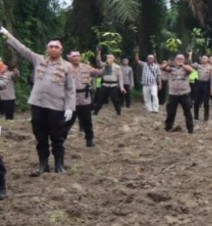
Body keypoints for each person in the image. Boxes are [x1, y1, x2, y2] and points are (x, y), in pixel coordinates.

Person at [1, 26, 76, 175]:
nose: (53, 49)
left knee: (57, 137)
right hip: (38, 105)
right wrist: (6, 34)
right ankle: (43, 165)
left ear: (61, 50)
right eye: (51, 46)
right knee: (40, 137)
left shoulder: (67, 66)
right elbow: (22, 49)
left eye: (56, 47)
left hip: (56, 107)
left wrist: (69, 108)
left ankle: (59, 164)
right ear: (47, 49)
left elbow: (70, 89)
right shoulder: (38, 59)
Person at [65, 51, 102, 147]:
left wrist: (109, 65)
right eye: (74, 56)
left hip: (84, 99)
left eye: (78, 56)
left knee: (87, 121)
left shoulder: (86, 67)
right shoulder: (65, 67)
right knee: (67, 121)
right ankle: (61, 140)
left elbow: (100, 73)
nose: (76, 57)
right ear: (69, 58)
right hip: (70, 99)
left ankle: (89, 140)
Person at [161, 54, 194, 134]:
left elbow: (191, 70)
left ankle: (190, 129)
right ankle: (168, 128)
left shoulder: (186, 68)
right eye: (178, 59)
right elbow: (162, 68)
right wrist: (168, 63)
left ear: (184, 60)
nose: (179, 60)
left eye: (181, 59)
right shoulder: (171, 68)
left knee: (187, 111)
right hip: (173, 94)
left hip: (184, 93)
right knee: (171, 112)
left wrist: (182, 65)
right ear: (175, 60)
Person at [94, 51, 125, 116]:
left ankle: (118, 111)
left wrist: (122, 87)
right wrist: (99, 53)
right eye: (108, 57)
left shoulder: (117, 67)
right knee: (100, 98)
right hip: (105, 84)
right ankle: (95, 112)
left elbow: (120, 78)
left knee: (115, 99)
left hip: (113, 85)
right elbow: (98, 62)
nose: (109, 58)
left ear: (113, 59)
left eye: (110, 57)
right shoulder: (105, 65)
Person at [190, 54, 212, 122]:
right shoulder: (198, 66)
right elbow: (191, 64)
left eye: (205, 58)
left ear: (208, 60)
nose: (203, 59)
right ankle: (196, 117)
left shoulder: (210, 68)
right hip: (198, 84)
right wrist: (190, 55)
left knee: (206, 102)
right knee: (196, 101)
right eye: (202, 58)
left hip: (206, 85)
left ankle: (206, 118)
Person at [134, 48, 161, 113]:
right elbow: (137, 60)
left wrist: (160, 84)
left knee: (154, 95)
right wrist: (136, 53)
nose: (150, 59)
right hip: (145, 84)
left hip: (153, 84)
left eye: (151, 58)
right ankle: (149, 109)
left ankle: (155, 109)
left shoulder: (156, 66)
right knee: (147, 97)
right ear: (147, 59)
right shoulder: (144, 64)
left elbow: (159, 75)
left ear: (153, 59)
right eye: (149, 58)